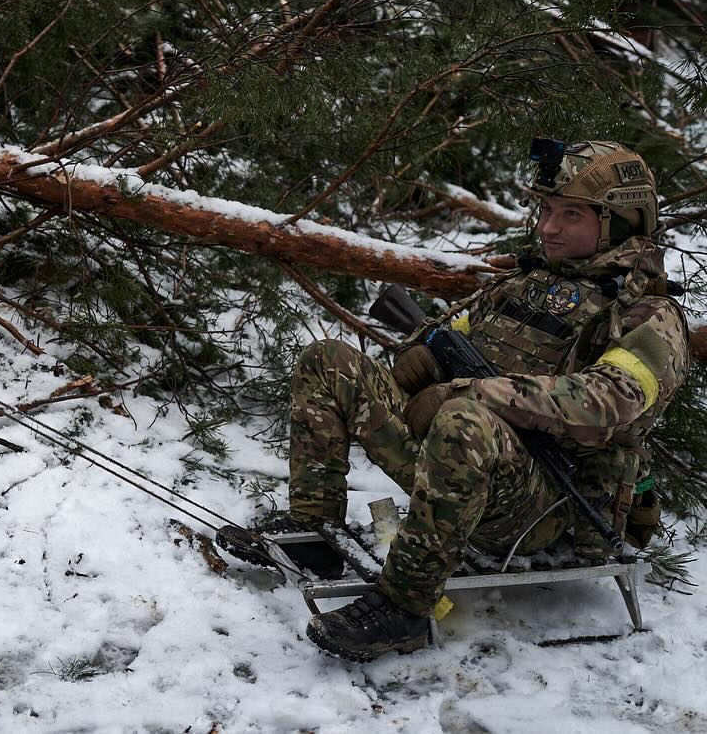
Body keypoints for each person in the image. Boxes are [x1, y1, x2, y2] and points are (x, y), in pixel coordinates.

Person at [219, 140, 690, 661]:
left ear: (619, 223)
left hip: (549, 505)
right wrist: (425, 358)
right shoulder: (526, 284)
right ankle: (313, 528)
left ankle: (403, 607)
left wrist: (467, 391)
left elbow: (605, 404)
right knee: (328, 360)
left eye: (570, 215)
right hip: (458, 470)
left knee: (465, 419)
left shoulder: (648, 316)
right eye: (548, 211)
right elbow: (458, 339)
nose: (548, 228)